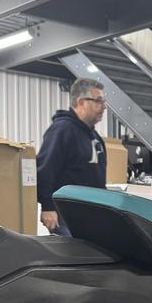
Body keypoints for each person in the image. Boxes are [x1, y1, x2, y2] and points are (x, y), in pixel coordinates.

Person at [37, 78, 108, 235]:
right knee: (72, 251)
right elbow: (45, 170)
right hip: (66, 216)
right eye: (98, 101)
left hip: (91, 215)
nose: (104, 106)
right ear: (81, 102)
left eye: (104, 101)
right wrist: (47, 207)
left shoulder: (94, 136)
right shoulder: (62, 130)